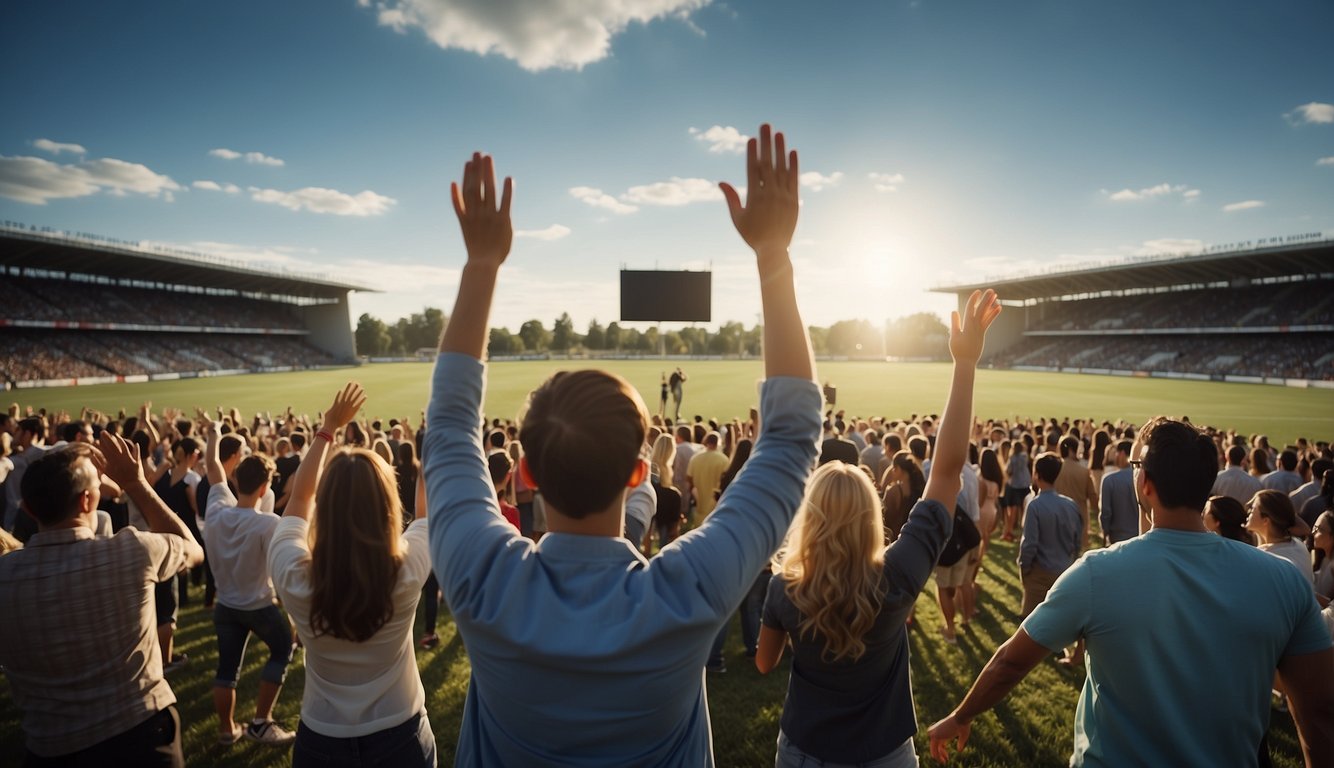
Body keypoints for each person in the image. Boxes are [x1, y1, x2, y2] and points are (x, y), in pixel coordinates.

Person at [423, 125, 820, 765]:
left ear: (525, 472)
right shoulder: (686, 593)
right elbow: (792, 441)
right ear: (640, 474)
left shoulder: (482, 578)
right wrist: (772, 253)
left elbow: (445, 428)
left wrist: (480, 265)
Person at [928, 417, 1334, 767]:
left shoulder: (1096, 573)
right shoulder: (1282, 579)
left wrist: (961, 715)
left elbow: (1010, 664)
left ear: (1144, 483)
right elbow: (1317, 713)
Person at [757, 289, 1001, 767]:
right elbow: (947, 471)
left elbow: (765, 663)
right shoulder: (899, 572)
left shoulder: (785, 586)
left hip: (805, 749)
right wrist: (965, 363)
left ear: (811, 517)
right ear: (872, 516)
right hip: (883, 753)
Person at [0, 433, 204, 766]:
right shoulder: (131, 552)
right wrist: (136, 483)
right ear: (86, 502)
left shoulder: (4, 576)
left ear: (28, 508)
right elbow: (193, 549)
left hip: (49, 749)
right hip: (142, 740)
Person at [268, 383, 436, 767]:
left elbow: (298, 499)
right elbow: (425, 516)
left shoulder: (293, 574)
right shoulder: (407, 570)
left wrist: (328, 428)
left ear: (325, 508)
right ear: (388, 507)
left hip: (321, 740)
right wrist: (428, 448)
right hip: (401, 735)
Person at [202, 420, 296, 746]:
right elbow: (283, 567)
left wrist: (214, 434)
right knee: (283, 649)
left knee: (226, 669)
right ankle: (260, 722)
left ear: (235, 480)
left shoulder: (216, 510)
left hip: (225, 605)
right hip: (257, 605)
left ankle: (227, 731)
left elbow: (212, 464)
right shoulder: (268, 523)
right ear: (264, 489)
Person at [1017, 453, 1082, 618]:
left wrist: (1024, 568)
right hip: (1064, 571)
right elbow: (1077, 541)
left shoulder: (1035, 505)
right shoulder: (1070, 504)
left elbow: (1029, 544)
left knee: (1033, 626)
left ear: (1037, 475)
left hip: (1039, 573)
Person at [1247, 489, 1314, 587]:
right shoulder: (1298, 545)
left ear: (1266, 520)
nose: (1249, 511)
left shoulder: (1263, 558)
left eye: (1253, 509)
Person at [1097, 439, 1138, 545]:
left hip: (1118, 538)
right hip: (1140, 535)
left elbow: (1106, 512)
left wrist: (1105, 532)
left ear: (1122, 453)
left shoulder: (1109, 480)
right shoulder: (1141, 477)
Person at [1000, 438, 1030, 541]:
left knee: (1013, 509)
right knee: (1024, 509)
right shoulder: (1024, 457)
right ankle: (1024, 530)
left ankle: (1009, 530)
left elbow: (1008, 470)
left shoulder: (1012, 458)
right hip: (1025, 484)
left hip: (1015, 485)